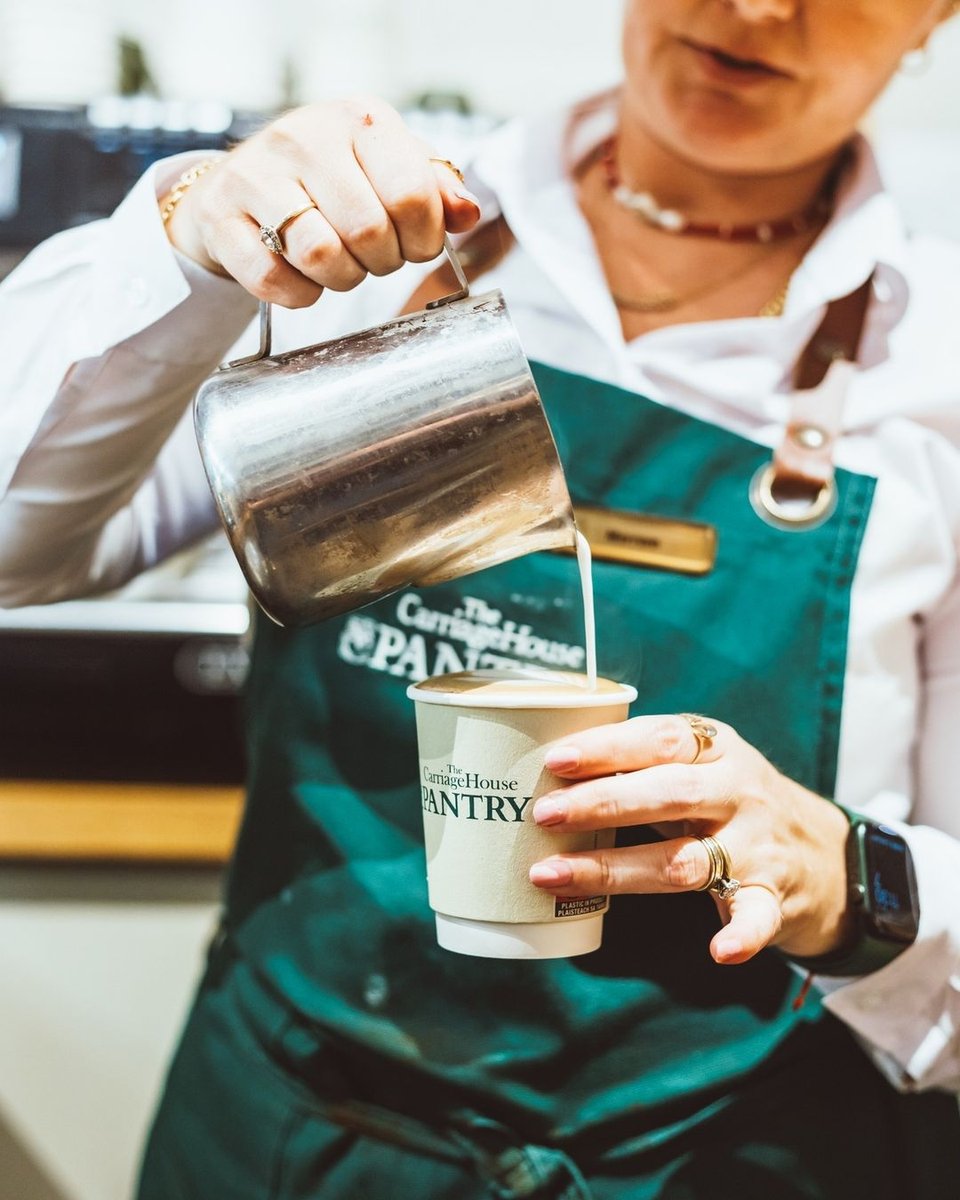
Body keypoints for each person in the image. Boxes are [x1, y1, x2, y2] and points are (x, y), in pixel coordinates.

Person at [2, 0, 960, 1196]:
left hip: (724, 1159)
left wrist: (849, 880)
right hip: (291, 1140)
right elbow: (15, 546)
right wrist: (187, 236)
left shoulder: (939, 369)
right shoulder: (368, 239)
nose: (762, 5)